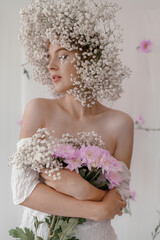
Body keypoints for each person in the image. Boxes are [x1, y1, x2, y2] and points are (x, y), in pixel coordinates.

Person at [11, 0, 134, 239]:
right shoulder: (39, 110)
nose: (51, 65)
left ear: (89, 59)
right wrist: (95, 205)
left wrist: (81, 189)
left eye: (63, 55)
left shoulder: (121, 124)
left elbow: (118, 199)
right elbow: (23, 191)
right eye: (49, 57)